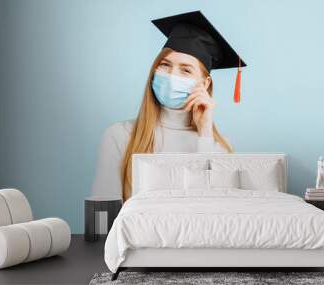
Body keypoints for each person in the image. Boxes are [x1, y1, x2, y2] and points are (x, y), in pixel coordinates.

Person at [91, 11, 247, 202]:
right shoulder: (120, 135)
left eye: (186, 70)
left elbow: (216, 208)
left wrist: (205, 134)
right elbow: (102, 213)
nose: (172, 76)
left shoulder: (220, 147)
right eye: (165, 65)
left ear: (204, 84)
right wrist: (102, 232)